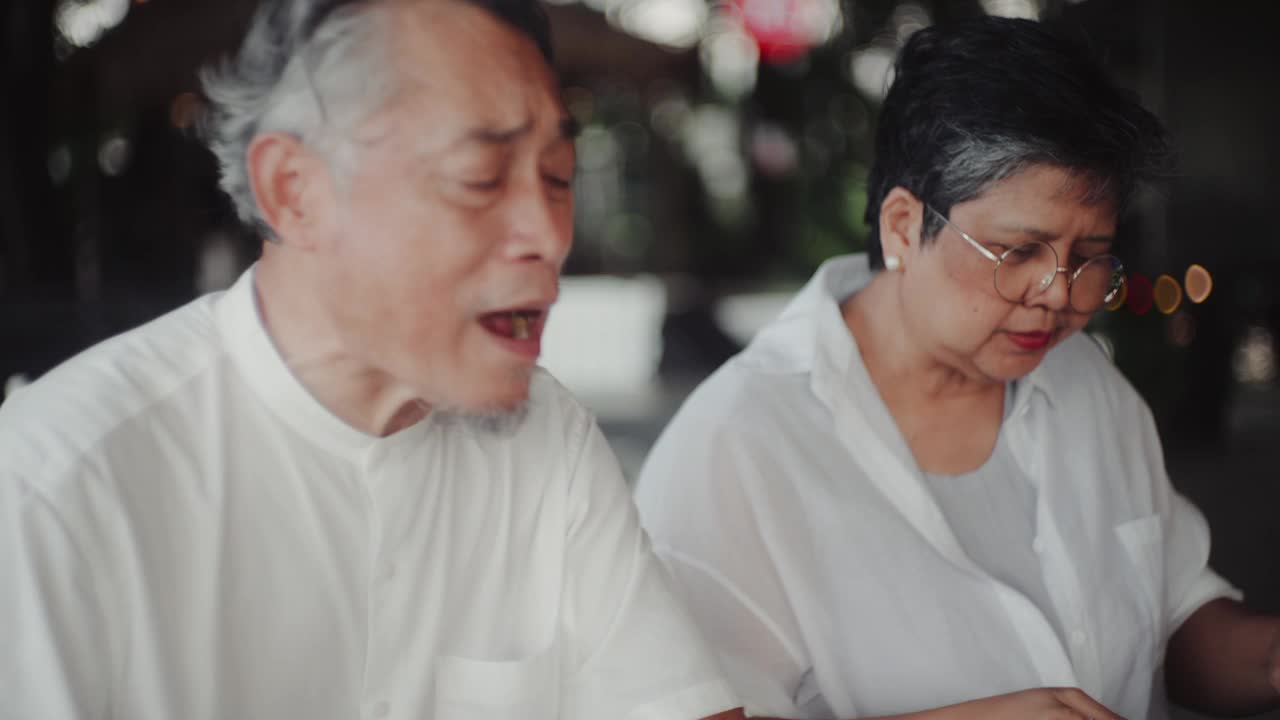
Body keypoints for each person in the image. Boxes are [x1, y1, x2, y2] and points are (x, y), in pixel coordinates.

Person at [0, 1, 745, 718]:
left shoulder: (548, 441)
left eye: (557, 177)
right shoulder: (56, 486)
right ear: (295, 191)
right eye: (480, 177)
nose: (547, 234)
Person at [635, 16, 1280, 720]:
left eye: (1089, 256)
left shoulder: (1084, 385)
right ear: (903, 226)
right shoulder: (733, 448)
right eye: (1019, 252)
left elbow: (1176, 616)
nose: (1061, 295)